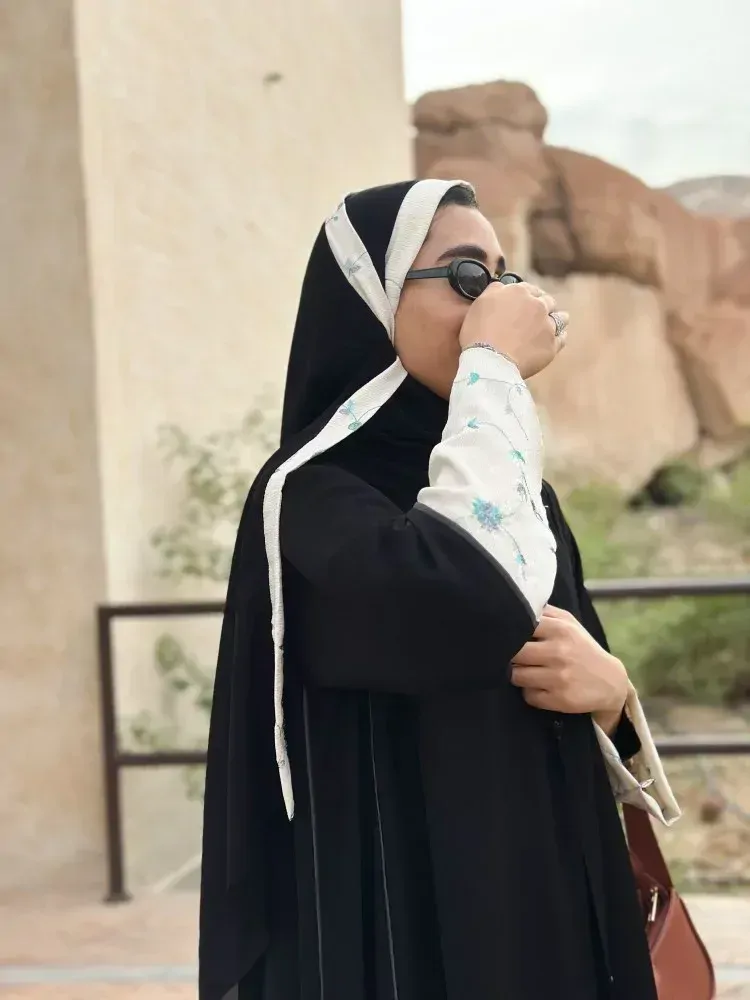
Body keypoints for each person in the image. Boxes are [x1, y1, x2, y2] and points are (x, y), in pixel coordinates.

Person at [199, 179, 680, 1000]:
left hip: (548, 900)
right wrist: (493, 368)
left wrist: (610, 696)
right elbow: (455, 601)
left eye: (503, 278)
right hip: (400, 923)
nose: (496, 303)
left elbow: (571, 668)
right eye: (466, 278)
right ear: (372, 299)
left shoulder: (521, 493)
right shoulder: (311, 495)